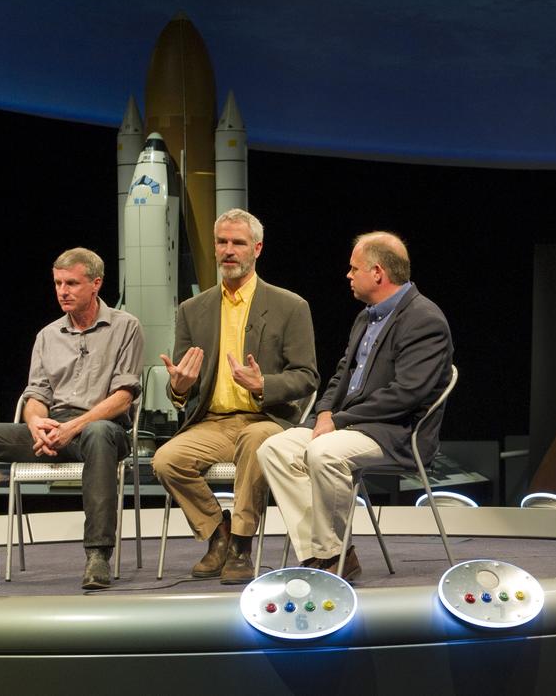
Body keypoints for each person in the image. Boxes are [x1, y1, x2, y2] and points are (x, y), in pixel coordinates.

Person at [0, 247, 143, 590]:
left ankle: (97, 555)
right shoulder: (47, 335)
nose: (62, 291)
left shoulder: (125, 327)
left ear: (96, 284)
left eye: (71, 283)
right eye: (57, 283)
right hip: (53, 430)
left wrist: (72, 428)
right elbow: (36, 396)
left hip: (104, 430)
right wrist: (36, 423)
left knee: (96, 432)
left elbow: (123, 397)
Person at [257, 231, 453, 581]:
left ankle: (330, 554)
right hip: (350, 425)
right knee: (275, 448)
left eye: (354, 268)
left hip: (396, 432)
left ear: (377, 273)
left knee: (325, 453)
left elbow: (405, 394)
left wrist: (340, 420)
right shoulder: (366, 317)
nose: (348, 275)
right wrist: (325, 412)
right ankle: (330, 552)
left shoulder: (425, 319)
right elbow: (339, 378)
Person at [153, 209, 318, 583]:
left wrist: (263, 385)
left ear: (256, 248)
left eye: (238, 243)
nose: (229, 250)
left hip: (264, 419)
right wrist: (179, 386)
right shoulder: (193, 310)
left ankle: (242, 546)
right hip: (212, 422)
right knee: (166, 460)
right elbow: (183, 381)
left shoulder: (290, 306)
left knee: (257, 442)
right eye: (222, 242)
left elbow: (307, 376)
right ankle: (218, 535)